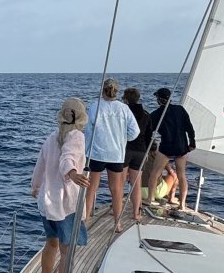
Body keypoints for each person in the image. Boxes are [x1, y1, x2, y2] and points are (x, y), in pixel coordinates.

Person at [31, 97, 91, 273]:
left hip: (47, 203)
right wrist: (73, 174)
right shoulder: (76, 137)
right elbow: (68, 158)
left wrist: (35, 186)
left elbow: (40, 164)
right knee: (66, 251)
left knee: (51, 244)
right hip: (65, 205)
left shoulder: (51, 137)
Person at [83, 78, 140, 231]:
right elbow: (135, 131)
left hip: (96, 153)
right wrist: (123, 139)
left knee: (91, 189)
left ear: (103, 90)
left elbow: (89, 131)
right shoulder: (124, 109)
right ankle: (117, 223)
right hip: (116, 154)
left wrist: (85, 151)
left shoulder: (95, 106)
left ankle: (86, 220)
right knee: (116, 190)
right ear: (117, 92)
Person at [148, 87, 196, 210]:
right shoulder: (180, 110)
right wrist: (192, 143)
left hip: (166, 148)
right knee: (181, 175)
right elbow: (189, 128)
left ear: (159, 100)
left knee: (155, 173)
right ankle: (182, 204)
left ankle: (150, 199)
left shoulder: (156, 114)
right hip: (181, 147)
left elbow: (148, 131)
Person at [122, 87, 153, 223]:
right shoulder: (146, 114)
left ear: (125, 99)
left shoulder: (124, 113)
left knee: (120, 182)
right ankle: (136, 213)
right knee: (136, 183)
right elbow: (149, 135)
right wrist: (147, 151)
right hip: (141, 151)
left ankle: (115, 209)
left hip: (125, 150)